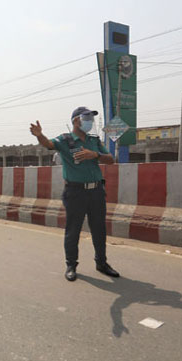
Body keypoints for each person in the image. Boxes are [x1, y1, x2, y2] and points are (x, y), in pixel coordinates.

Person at [29, 106, 120, 282]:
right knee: (73, 230)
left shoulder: (94, 140)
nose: (90, 122)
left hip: (96, 191)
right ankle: (71, 265)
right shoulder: (65, 139)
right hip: (75, 192)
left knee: (99, 229)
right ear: (76, 121)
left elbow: (111, 160)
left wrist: (94, 155)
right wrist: (39, 135)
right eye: (87, 118)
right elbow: (48, 144)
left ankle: (101, 263)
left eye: (91, 119)